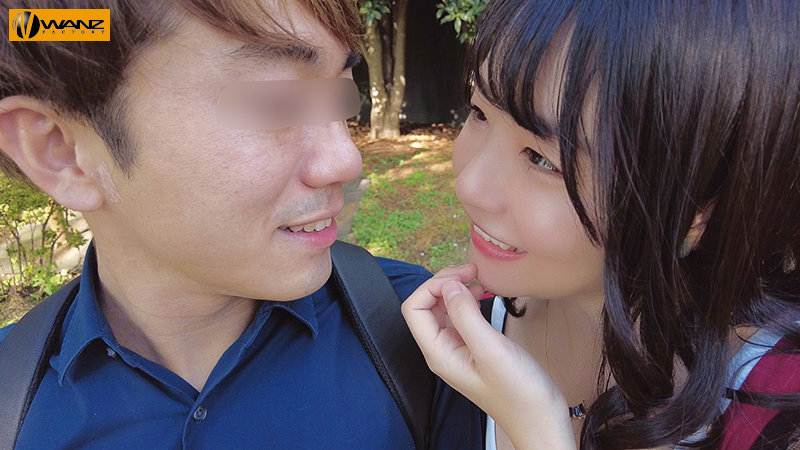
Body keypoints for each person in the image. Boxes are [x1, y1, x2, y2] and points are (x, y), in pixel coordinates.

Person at [0, 1, 481, 448]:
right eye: (279, 103)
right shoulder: (12, 400)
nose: (345, 160)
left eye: (340, 92)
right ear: (61, 152)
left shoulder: (427, 335)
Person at [402, 0, 800, 448]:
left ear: (694, 210)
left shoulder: (778, 414)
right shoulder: (450, 336)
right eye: (479, 113)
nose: (468, 186)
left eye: (543, 160)